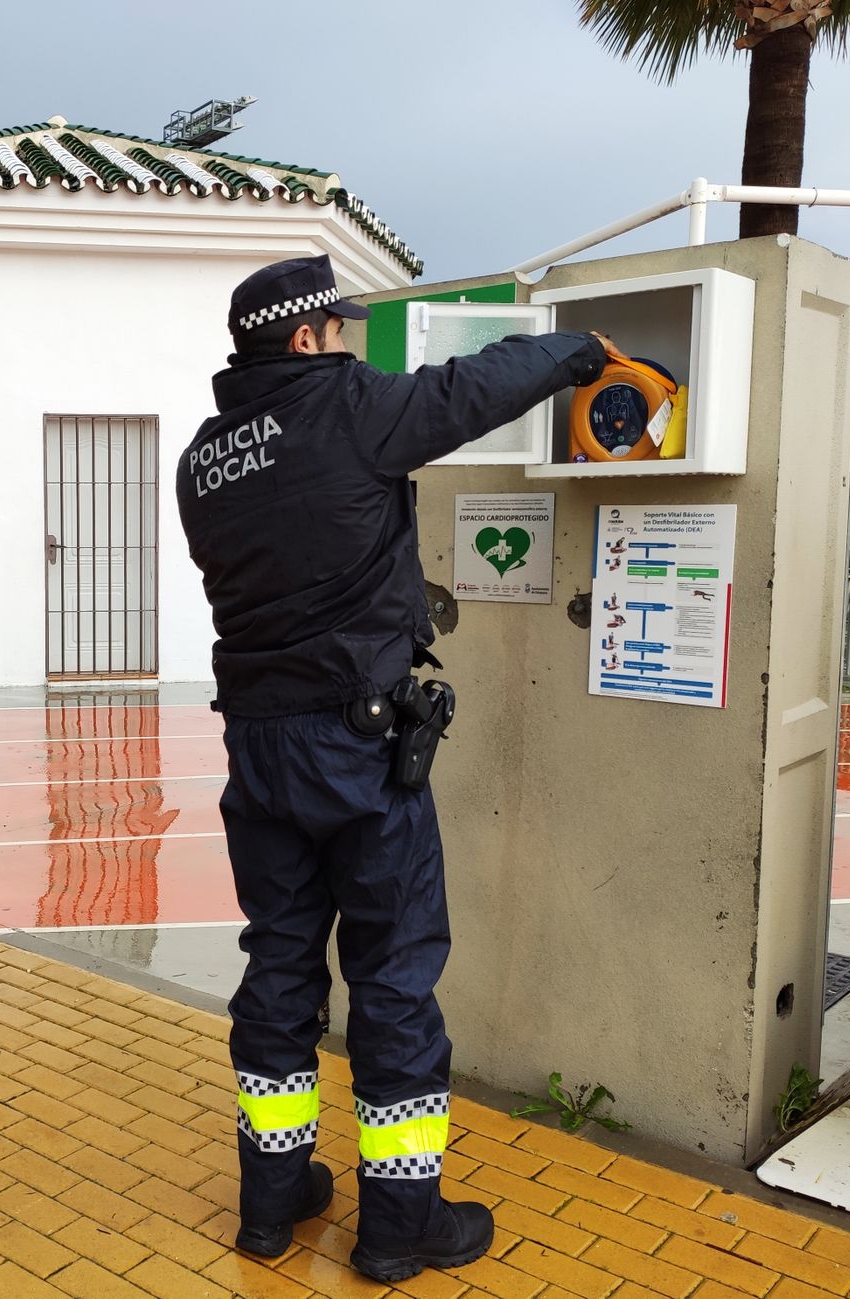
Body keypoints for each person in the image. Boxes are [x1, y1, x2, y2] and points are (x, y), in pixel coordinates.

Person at [175, 255, 608, 1283]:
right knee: (394, 981)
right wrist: (579, 351)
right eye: (343, 327)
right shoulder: (346, 410)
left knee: (278, 969)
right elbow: (472, 389)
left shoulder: (201, 457)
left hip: (257, 750)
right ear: (305, 338)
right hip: (357, 752)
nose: (355, 343)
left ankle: (272, 1205)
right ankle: (400, 1225)